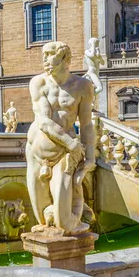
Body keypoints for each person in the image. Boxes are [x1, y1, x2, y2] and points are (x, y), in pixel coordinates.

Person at [26, 41, 96, 234]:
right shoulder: (38, 83)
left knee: (64, 223)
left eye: (50, 55)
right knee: (42, 219)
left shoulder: (83, 86)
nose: (45, 59)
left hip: (64, 154)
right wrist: (71, 143)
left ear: (65, 58)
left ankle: (77, 213)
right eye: (44, 55)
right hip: (37, 153)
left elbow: (86, 124)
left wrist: (90, 156)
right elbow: (43, 121)